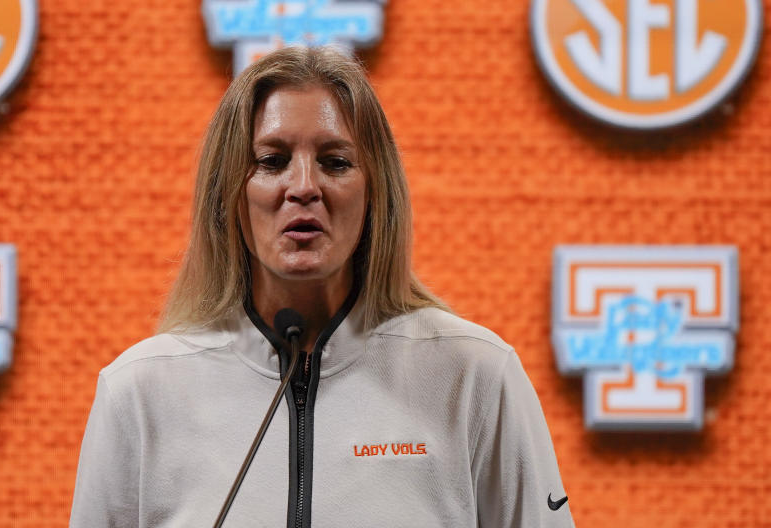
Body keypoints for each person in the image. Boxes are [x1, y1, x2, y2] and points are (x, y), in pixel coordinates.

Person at [70, 46, 574, 527]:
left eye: (336, 161)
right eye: (271, 161)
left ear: (376, 191)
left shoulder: (473, 377)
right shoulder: (138, 392)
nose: (304, 186)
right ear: (228, 192)